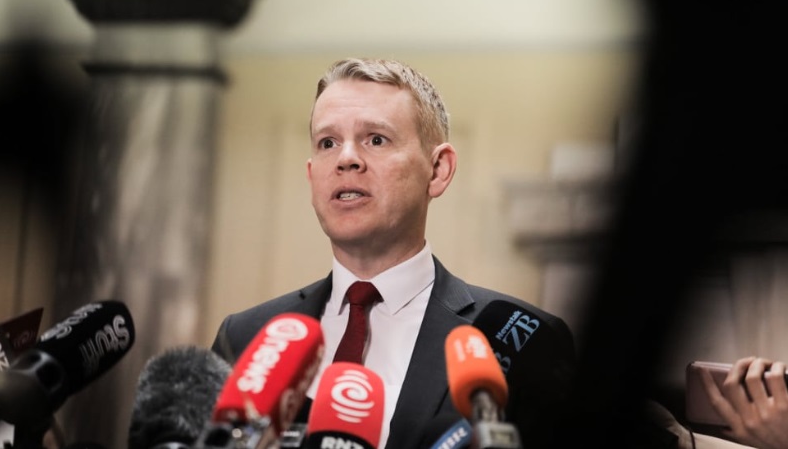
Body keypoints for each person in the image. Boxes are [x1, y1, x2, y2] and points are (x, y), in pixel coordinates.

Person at [211, 57, 576, 449]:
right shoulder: (245, 338)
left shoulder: (520, 340)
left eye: (376, 139)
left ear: (437, 170)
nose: (345, 158)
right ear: (311, 174)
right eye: (327, 143)